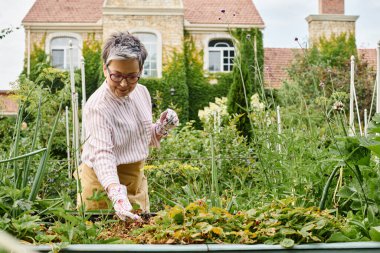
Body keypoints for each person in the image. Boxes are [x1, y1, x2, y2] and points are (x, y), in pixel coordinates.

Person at [76, 31, 179, 220]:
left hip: (136, 178)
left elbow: (143, 136)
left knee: (138, 239)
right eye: (116, 76)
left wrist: (162, 127)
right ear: (105, 69)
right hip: (102, 183)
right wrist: (117, 195)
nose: (124, 84)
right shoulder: (98, 107)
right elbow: (102, 155)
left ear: (140, 71)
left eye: (132, 76)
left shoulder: (142, 92)